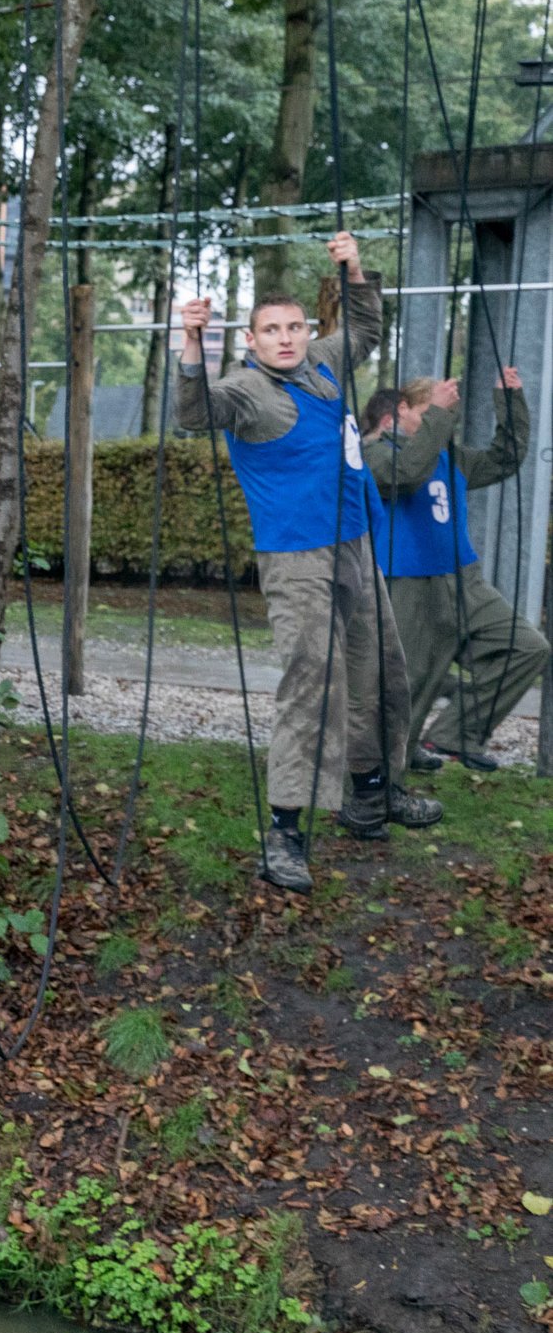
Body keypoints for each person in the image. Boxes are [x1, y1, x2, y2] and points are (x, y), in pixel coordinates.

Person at [173, 232, 437, 892]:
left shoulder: (321, 365)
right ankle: (285, 832)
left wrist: (349, 266)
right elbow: (193, 412)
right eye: (272, 330)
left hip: (354, 543)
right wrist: (191, 343)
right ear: (254, 339)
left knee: (381, 667)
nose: (287, 338)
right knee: (311, 681)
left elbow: (367, 325)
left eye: (294, 326)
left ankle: (372, 795)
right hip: (295, 557)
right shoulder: (244, 389)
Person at [364, 367, 547, 772]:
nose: (446, 416)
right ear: (401, 411)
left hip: (465, 579)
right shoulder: (375, 452)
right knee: (411, 683)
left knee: (527, 647)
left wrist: (510, 401)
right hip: (410, 582)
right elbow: (406, 474)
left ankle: (454, 735)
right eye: (434, 410)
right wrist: (440, 418)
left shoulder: (452, 458)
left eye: (449, 410)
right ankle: (383, 779)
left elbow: (505, 458)